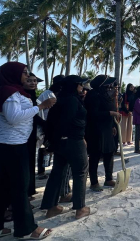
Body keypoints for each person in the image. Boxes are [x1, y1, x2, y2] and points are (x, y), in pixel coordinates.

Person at [0, 62, 55, 240]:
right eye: (24, 72)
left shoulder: (12, 91)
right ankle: (27, 229)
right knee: (20, 187)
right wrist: (41, 107)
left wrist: (37, 106)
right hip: (11, 146)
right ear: (12, 74)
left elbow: (21, 112)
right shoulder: (9, 93)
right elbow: (13, 118)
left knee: (1, 188)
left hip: (7, 144)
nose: (27, 75)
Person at [41, 75, 93, 220]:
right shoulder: (72, 100)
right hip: (73, 141)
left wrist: (53, 141)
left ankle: (51, 207)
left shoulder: (60, 99)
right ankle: (80, 208)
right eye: (80, 85)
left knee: (57, 172)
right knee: (80, 172)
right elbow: (67, 122)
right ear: (75, 86)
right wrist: (79, 137)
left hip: (60, 143)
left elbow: (51, 122)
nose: (82, 88)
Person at [85, 75, 120, 192]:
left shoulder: (105, 95)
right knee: (95, 155)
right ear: (101, 85)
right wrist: (110, 113)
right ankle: (94, 182)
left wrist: (112, 126)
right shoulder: (92, 95)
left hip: (107, 129)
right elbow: (93, 114)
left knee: (109, 153)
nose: (110, 86)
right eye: (107, 84)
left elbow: (110, 109)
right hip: (95, 129)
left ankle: (108, 178)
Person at [36, 75, 65, 180]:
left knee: (51, 147)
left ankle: (47, 169)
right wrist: (43, 124)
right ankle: (41, 171)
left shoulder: (58, 94)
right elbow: (38, 110)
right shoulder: (46, 94)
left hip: (53, 125)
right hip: (44, 124)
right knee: (44, 148)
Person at [24, 73, 44, 199]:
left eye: (35, 81)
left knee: (31, 162)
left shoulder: (32, 96)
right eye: (29, 81)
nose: (33, 83)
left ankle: (30, 190)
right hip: (23, 134)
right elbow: (32, 115)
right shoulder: (23, 96)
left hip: (31, 133)